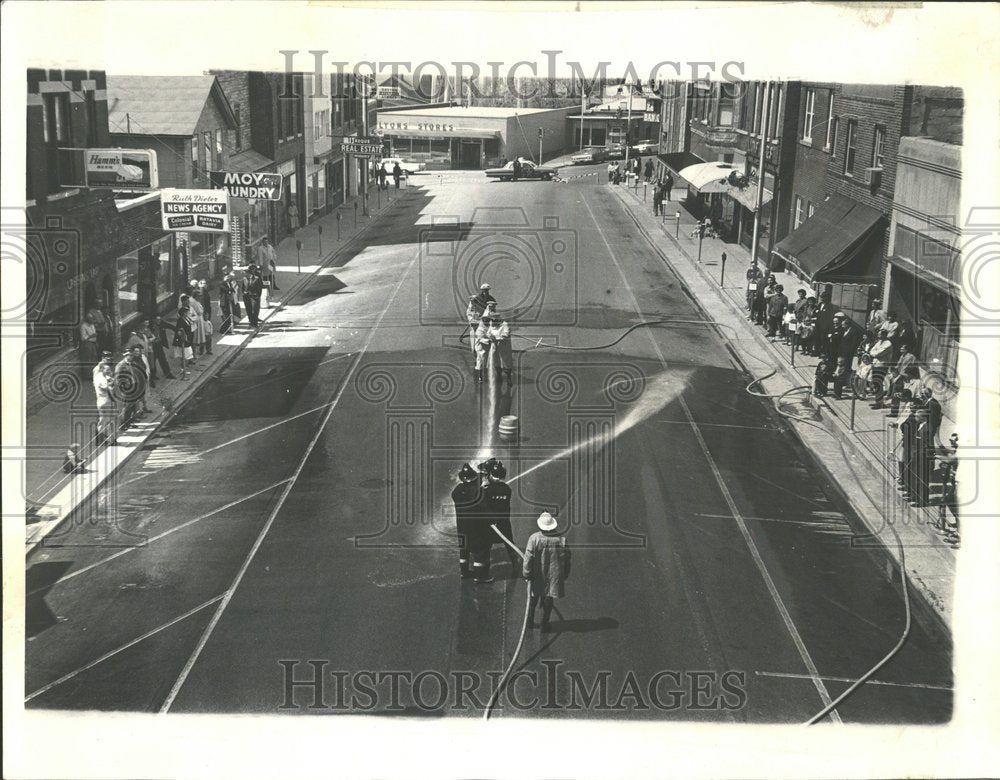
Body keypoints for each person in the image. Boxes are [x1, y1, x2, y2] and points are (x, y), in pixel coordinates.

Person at [522, 512, 571, 633]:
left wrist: (526, 573)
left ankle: (529, 622)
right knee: (548, 599)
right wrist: (565, 573)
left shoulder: (534, 538)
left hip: (537, 574)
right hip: (553, 575)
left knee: (533, 598)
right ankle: (544, 624)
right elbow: (567, 558)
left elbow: (528, 558)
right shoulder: (561, 539)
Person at [482, 460, 518, 575]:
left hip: (491, 524)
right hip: (504, 522)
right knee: (509, 543)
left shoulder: (486, 490)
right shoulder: (507, 489)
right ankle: (515, 564)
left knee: (486, 546)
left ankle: (485, 571)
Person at [451, 463, 482, 579]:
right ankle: (479, 575)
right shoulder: (476, 491)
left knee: (464, 550)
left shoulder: (457, 490)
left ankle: (464, 572)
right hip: (474, 526)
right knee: (478, 550)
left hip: (462, 526)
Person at [830, 312, 862, 400]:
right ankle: (843, 382)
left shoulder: (853, 332)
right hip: (843, 353)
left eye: (843, 325)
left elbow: (853, 344)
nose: (842, 326)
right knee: (842, 368)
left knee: (847, 368)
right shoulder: (845, 331)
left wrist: (850, 352)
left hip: (848, 354)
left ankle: (847, 383)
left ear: (847, 325)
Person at [886, 342, 918, 417]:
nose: (900, 349)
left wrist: (897, 377)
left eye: (902, 348)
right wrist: (892, 374)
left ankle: (899, 412)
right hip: (901, 376)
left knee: (899, 394)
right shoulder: (903, 355)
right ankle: (893, 409)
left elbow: (904, 369)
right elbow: (898, 366)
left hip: (908, 378)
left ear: (906, 349)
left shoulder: (909, 357)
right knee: (895, 392)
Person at [867, 328, 895, 409]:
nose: (878, 336)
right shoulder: (879, 342)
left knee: (879, 383)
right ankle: (878, 401)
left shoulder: (888, 344)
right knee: (875, 383)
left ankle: (879, 403)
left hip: (882, 365)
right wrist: (874, 353)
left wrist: (874, 353)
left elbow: (878, 353)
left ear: (884, 335)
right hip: (876, 364)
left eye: (880, 334)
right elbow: (871, 350)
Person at [93, 355, 116, 445]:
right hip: (105, 401)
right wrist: (112, 382)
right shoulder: (101, 378)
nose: (109, 372)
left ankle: (103, 439)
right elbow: (109, 388)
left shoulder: (100, 376)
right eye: (107, 370)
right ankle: (102, 440)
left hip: (102, 400)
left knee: (104, 421)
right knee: (104, 421)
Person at [487, 311, 514, 384]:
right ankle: (499, 375)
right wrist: (490, 337)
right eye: (492, 320)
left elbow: (506, 334)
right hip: (494, 345)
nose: (492, 322)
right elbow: (488, 333)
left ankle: (508, 377)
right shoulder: (491, 324)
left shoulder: (504, 324)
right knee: (496, 359)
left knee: (506, 360)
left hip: (503, 345)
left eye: (494, 320)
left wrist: (498, 337)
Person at [172, 306, 195, 380]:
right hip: (183, 340)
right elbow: (179, 331)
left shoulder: (186, 319)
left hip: (188, 338)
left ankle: (184, 368)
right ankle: (183, 369)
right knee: (183, 355)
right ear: (183, 313)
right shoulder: (180, 320)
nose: (187, 313)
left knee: (186, 355)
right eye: (186, 312)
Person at [473, 312, 492, 383]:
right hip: (480, 348)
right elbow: (481, 339)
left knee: (486, 362)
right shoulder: (480, 329)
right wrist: (489, 340)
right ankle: (479, 377)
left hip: (486, 348)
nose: (487, 322)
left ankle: (484, 376)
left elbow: (490, 333)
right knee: (480, 362)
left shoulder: (488, 327)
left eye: (488, 321)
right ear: (483, 321)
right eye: (486, 321)